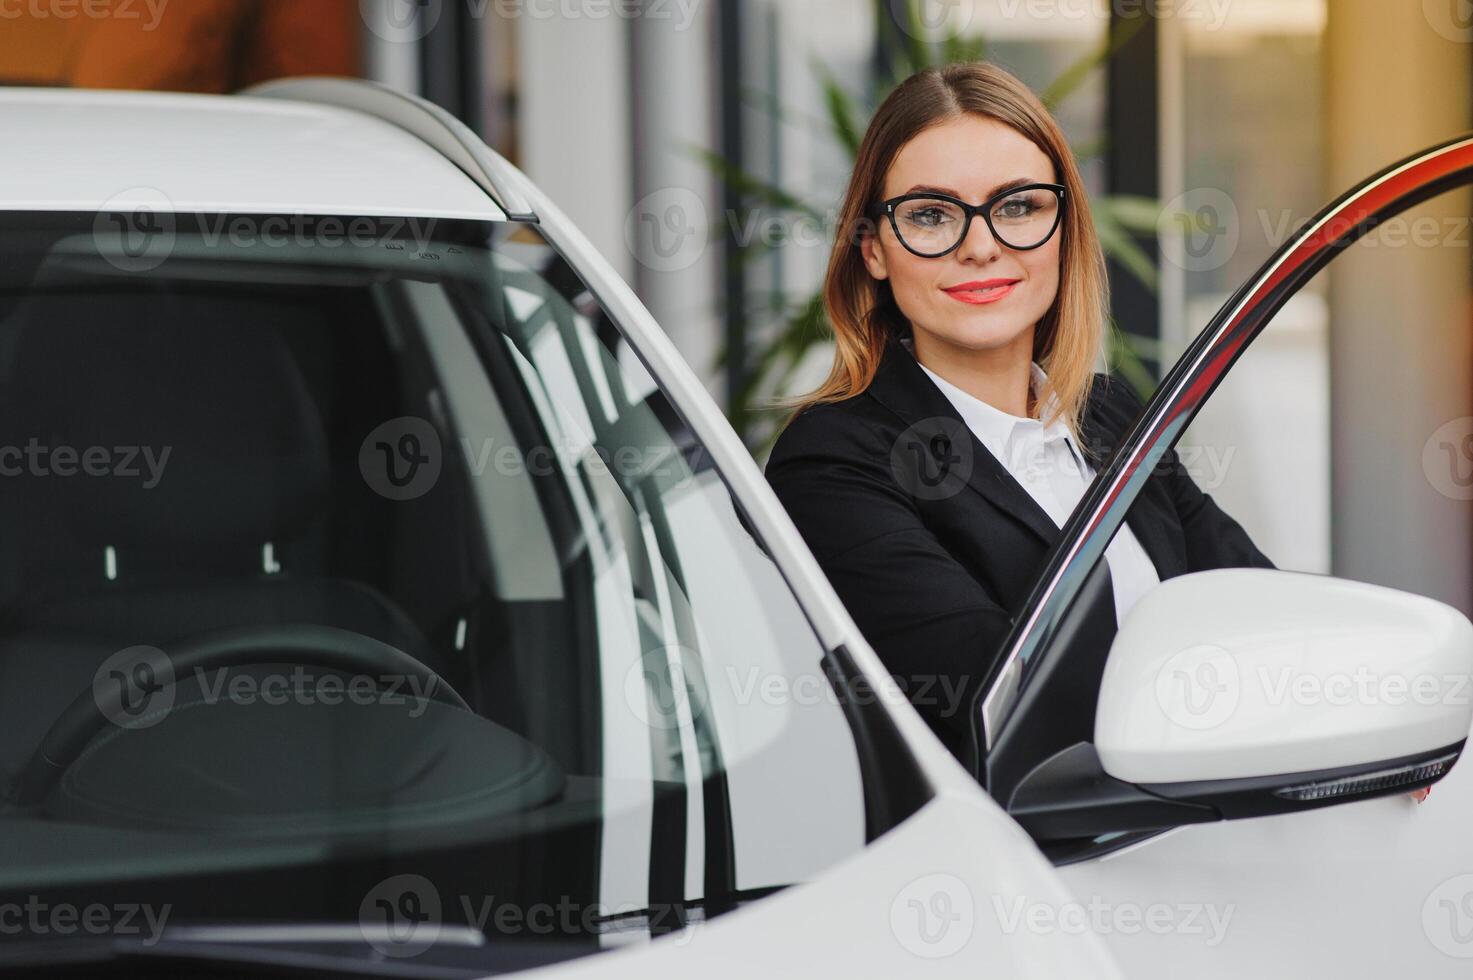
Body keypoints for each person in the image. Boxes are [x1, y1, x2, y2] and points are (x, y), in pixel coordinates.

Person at [764, 62, 1274, 764]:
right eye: (930, 215)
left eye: (1017, 206)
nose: (980, 246)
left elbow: (1259, 609)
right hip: (1023, 867)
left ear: (1063, 229)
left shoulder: (1109, 414)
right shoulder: (831, 462)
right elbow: (1006, 710)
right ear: (874, 250)